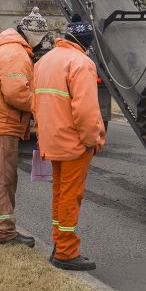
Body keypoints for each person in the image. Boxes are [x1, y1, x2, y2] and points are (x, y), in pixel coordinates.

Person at [0, 7, 54, 247]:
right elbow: (16, 93)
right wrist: (39, 107)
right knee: (3, 179)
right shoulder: (16, 53)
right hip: (0, 124)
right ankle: (5, 233)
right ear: (35, 38)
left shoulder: (7, 48)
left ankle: (2, 227)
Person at [32, 17, 105, 271]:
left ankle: (59, 244)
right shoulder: (82, 63)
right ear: (86, 42)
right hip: (74, 143)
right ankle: (66, 252)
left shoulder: (44, 61)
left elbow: (35, 103)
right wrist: (92, 140)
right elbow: (86, 111)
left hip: (52, 140)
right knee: (71, 196)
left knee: (60, 194)